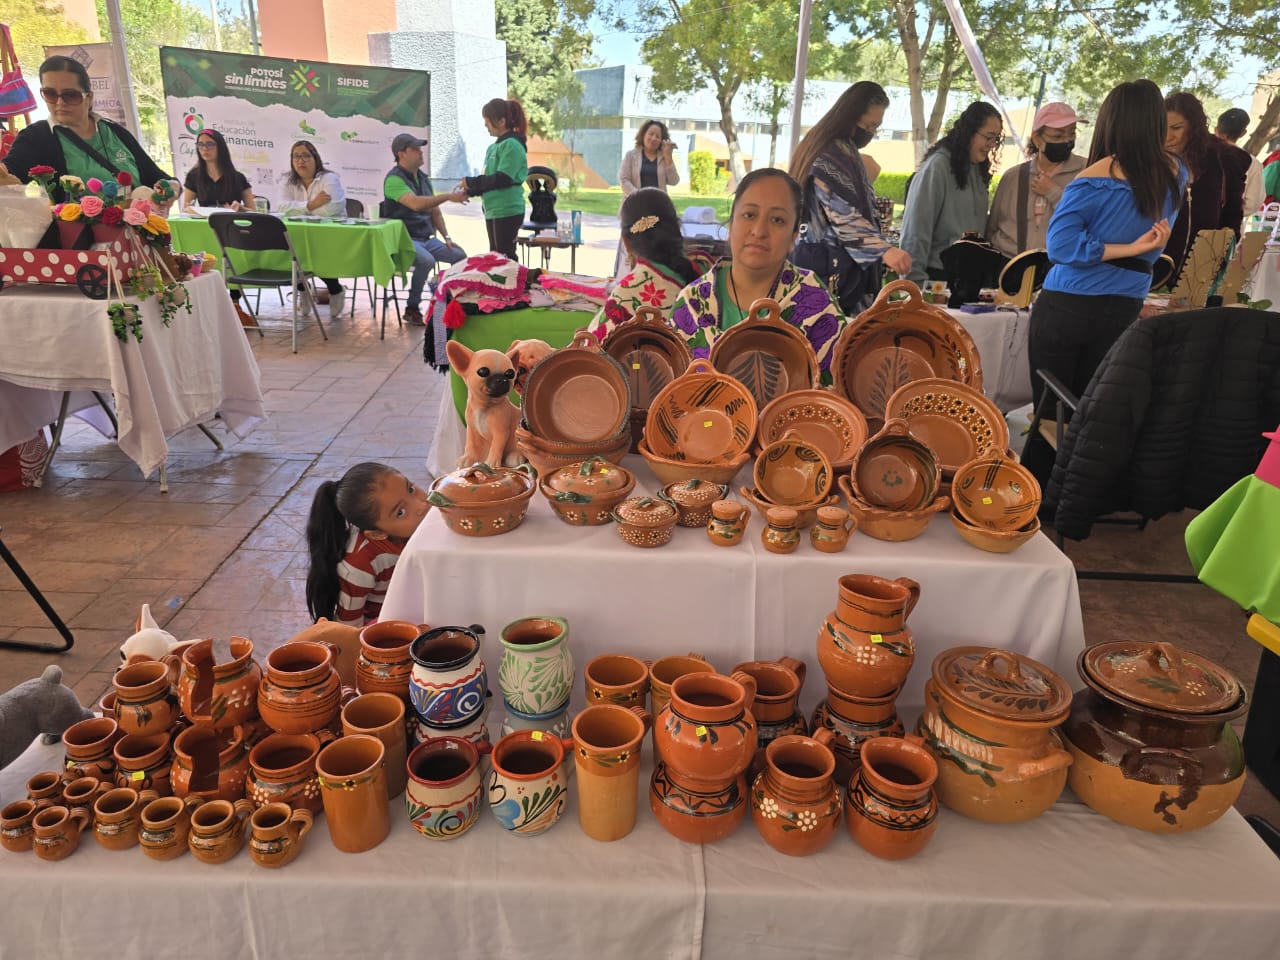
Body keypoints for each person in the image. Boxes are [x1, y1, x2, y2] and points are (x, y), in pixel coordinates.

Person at [1026, 78, 1185, 479]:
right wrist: (1136, 250)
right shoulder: (1174, 174)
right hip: (1124, 304)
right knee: (1092, 409)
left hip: (1068, 304)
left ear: (1110, 121)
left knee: (1051, 413)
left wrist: (1126, 248)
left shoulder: (1096, 176)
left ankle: (1038, 495)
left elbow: (1061, 246)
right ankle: (1079, 492)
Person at [670, 168, 845, 381]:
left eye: (777, 220)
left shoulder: (815, 306)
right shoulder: (693, 304)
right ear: (731, 226)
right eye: (749, 215)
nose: (759, 231)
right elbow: (672, 391)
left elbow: (836, 390)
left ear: (793, 237)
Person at [788, 80, 911, 315]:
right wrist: (884, 250)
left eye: (876, 127)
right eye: (870, 125)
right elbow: (842, 214)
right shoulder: (832, 156)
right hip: (833, 277)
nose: (871, 133)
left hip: (815, 266)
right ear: (852, 117)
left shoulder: (821, 146)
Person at [0, 55, 173, 202]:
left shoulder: (116, 132)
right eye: (50, 94)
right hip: (75, 233)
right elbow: (9, 172)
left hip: (137, 230)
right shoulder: (35, 138)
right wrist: (6, 179)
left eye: (70, 95)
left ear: (89, 98)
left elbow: (161, 179)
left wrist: (170, 190)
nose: (60, 102)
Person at [305, 462, 429, 626]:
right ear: (377, 534)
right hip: (386, 626)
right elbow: (350, 628)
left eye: (411, 490)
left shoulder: (423, 523)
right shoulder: (358, 566)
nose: (422, 505)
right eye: (400, 512)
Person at [898, 101, 1002, 288]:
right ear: (969, 132)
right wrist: (914, 284)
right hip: (935, 279)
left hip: (968, 279)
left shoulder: (978, 171)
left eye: (996, 139)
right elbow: (916, 229)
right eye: (988, 137)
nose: (991, 145)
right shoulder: (937, 167)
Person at [588, 188, 701, 342]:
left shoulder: (625, 296)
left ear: (626, 242)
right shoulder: (707, 276)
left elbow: (592, 350)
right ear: (677, 228)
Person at [382, 132, 467, 326]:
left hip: (426, 239)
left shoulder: (423, 178)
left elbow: (435, 212)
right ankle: (412, 308)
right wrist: (448, 196)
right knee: (426, 260)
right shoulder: (393, 180)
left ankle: (447, 299)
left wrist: (447, 237)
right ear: (401, 154)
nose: (421, 152)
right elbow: (415, 204)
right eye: (415, 149)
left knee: (459, 256)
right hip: (403, 239)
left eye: (420, 148)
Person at [1162, 92, 1249, 278]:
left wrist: (1221, 254)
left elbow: (1233, 213)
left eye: (1176, 128)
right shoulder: (1153, 160)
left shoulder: (1222, 159)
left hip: (1201, 268)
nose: (1168, 137)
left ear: (1194, 127)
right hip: (1158, 266)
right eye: (1162, 128)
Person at [986, 102, 1087, 258]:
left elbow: (1088, 221)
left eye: (1072, 134)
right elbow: (993, 226)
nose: (1067, 141)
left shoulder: (1086, 172)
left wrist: (1054, 193)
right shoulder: (1014, 176)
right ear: (1037, 138)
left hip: (1057, 266)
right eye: (1058, 136)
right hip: (1009, 262)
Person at [279, 139, 347, 317]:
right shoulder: (288, 181)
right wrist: (311, 205)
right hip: (299, 233)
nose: (300, 161)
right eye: (296, 156)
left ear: (315, 158)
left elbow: (332, 208)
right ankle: (303, 289)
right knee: (290, 255)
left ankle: (335, 290)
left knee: (318, 256)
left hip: (329, 233)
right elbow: (281, 207)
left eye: (305, 156)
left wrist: (299, 209)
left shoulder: (329, 179)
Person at [458, 98, 529, 260]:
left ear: (502, 122)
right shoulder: (493, 147)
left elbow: (503, 178)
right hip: (493, 209)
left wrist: (471, 182)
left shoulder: (512, 145)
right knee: (495, 257)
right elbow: (489, 179)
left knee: (505, 257)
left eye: (488, 122)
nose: (486, 125)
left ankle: (516, 277)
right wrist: (471, 191)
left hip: (507, 209)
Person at [615, 120, 681, 277]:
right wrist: (640, 198)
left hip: (657, 212)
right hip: (635, 209)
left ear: (662, 140)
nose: (653, 138)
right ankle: (628, 278)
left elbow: (674, 180)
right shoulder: (631, 156)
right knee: (632, 248)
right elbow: (624, 180)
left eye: (658, 136)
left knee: (655, 248)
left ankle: (654, 277)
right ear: (643, 134)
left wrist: (668, 156)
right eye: (651, 134)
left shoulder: (663, 157)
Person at [181, 128, 255, 213]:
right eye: (200, 144)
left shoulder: (238, 178)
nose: (204, 148)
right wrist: (190, 209)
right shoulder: (193, 176)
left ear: (220, 147)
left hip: (231, 220)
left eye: (210, 144)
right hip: (205, 221)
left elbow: (253, 211)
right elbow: (186, 209)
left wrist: (240, 208)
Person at [1215, 108, 1264, 217]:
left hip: (1195, 221)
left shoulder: (1199, 154)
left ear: (1215, 129)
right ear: (1243, 133)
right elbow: (1253, 203)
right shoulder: (1252, 163)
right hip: (1228, 223)